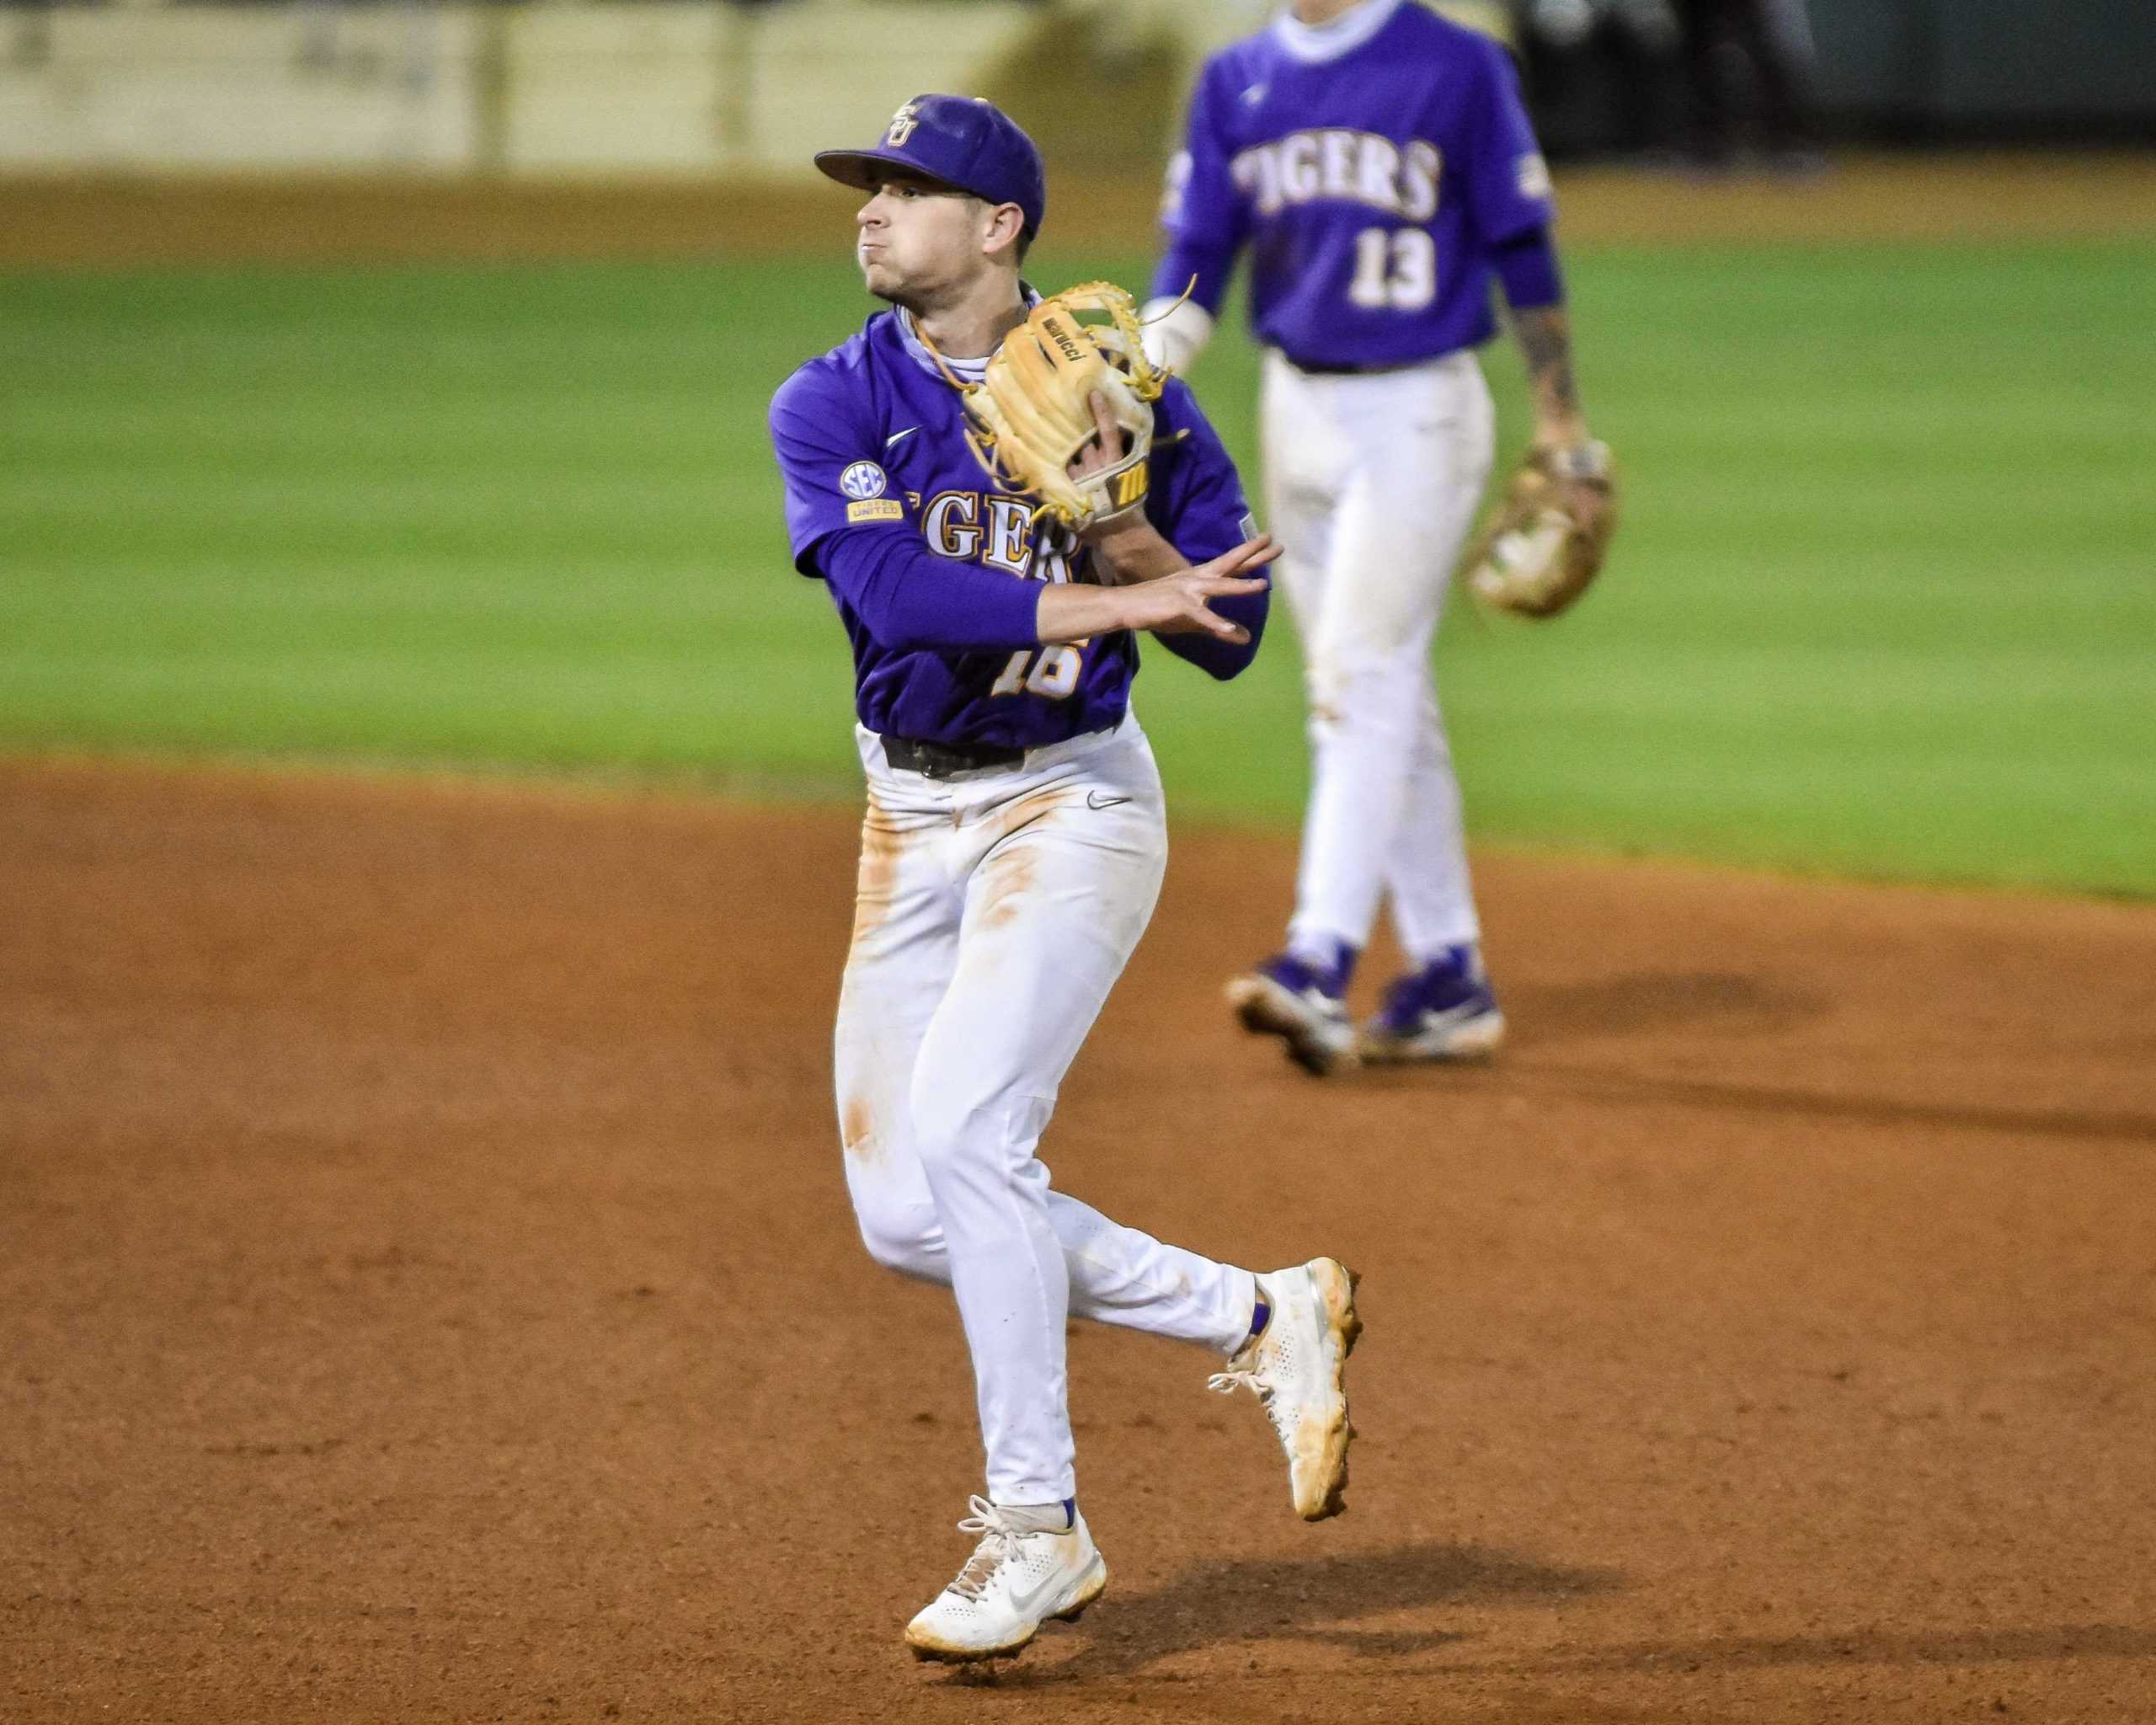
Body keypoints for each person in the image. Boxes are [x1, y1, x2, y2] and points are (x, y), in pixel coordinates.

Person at [766, 93, 1363, 1664]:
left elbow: (1225, 632)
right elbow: (894, 594)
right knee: (910, 1213)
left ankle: (1038, 1527)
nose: (871, 212)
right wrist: (1115, 600)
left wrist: (1123, 524)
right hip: (908, 821)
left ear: (1001, 224)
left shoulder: (1130, 395)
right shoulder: (832, 399)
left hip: (1071, 808)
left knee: (970, 1134)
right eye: (867, 188)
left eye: (908, 189)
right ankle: (1262, 1312)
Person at [1144, 0, 1609, 1075]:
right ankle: (1449, 974)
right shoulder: (1236, 80)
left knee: (1357, 679)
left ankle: (1317, 960)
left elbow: (1521, 247)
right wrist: (1140, 368)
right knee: (1383, 690)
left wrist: (1560, 420)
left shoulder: (1456, 68)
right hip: (1291, 409)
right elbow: (1199, 252)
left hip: (1418, 415)